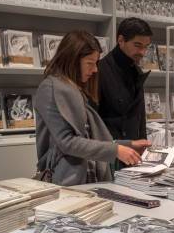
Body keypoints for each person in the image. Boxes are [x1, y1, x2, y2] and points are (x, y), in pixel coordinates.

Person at [34, 30, 144, 186]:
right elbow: (67, 142)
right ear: (72, 60)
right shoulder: (52, 88)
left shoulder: (74, 89)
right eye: (89, 63)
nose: (95, 70)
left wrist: (128, 145)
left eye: (96, 63)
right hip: (66, 182)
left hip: (85, 179)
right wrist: (116, 151)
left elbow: (89, 137)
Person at [98, 17, 153, 142]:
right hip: (110, 153)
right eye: (138, 45)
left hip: (133, 150)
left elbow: (140, 114)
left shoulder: (136, 70)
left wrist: (143, 141)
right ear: (121, 40)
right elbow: (93, 120)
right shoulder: (99, 71)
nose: (143, 52)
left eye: (146, 47)